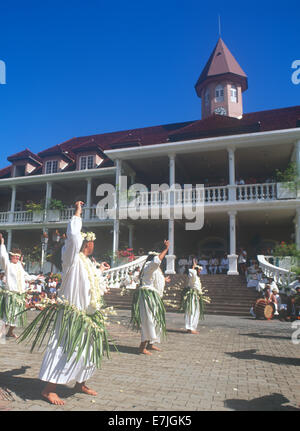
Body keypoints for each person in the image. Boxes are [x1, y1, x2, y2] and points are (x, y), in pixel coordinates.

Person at [21, 201, 110, 405]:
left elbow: (92, 282)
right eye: (91, 241)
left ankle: (80, 382)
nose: (93, 244)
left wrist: (101, 271)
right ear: (87, 243)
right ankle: (49, 389)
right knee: (65, 346)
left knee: (87, 348)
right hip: (72, 313)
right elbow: (73, 237)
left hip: (87, 314)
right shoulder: (71, 259)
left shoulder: (88, 263)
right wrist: (77, 213)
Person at [131, 240, 170, 355]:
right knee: (149, 320)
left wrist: (164, 280)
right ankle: (142, 347)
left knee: (154, 319)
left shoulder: (149, 269)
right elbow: (157, 261)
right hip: (147, 296)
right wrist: (166, 249)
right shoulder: (149, 265)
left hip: (152, 296)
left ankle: (150, 344)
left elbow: (154, 278)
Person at [0, 235, 41, 339]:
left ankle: (10, 332)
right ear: (11, 256)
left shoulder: (19, 266)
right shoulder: (7, 265)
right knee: (8, 315)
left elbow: (26, 276)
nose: (17, 258)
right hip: (11, 295)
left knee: (17, 315)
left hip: (20, 295)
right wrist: (2, 244)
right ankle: (1, 333)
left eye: (18, 257)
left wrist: (36, 277)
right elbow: (3, 256)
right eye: (15, 256)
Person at [183, 259, 203, 334]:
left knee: (194, 311)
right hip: (192, 296)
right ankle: (191, 328)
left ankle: (190, 327)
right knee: (192, 311)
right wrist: (193, 267)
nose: (200, 271)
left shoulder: (197, 278)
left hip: (196, 295)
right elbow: (192, 273)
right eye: (199, 270)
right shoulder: (193, 278)